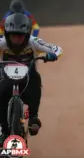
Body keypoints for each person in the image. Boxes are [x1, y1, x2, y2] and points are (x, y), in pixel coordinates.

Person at [0, 13, 62, 144]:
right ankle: (4, 130)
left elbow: (56, 48)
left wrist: (52, 55)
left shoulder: (33, 42)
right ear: (7, 34)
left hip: (28, 77)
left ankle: (33, 117)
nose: (16, 39)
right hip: (6, 76)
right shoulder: (2, 42)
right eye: (13, 36)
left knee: (36, 82)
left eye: (20, 36)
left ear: (27, 34)